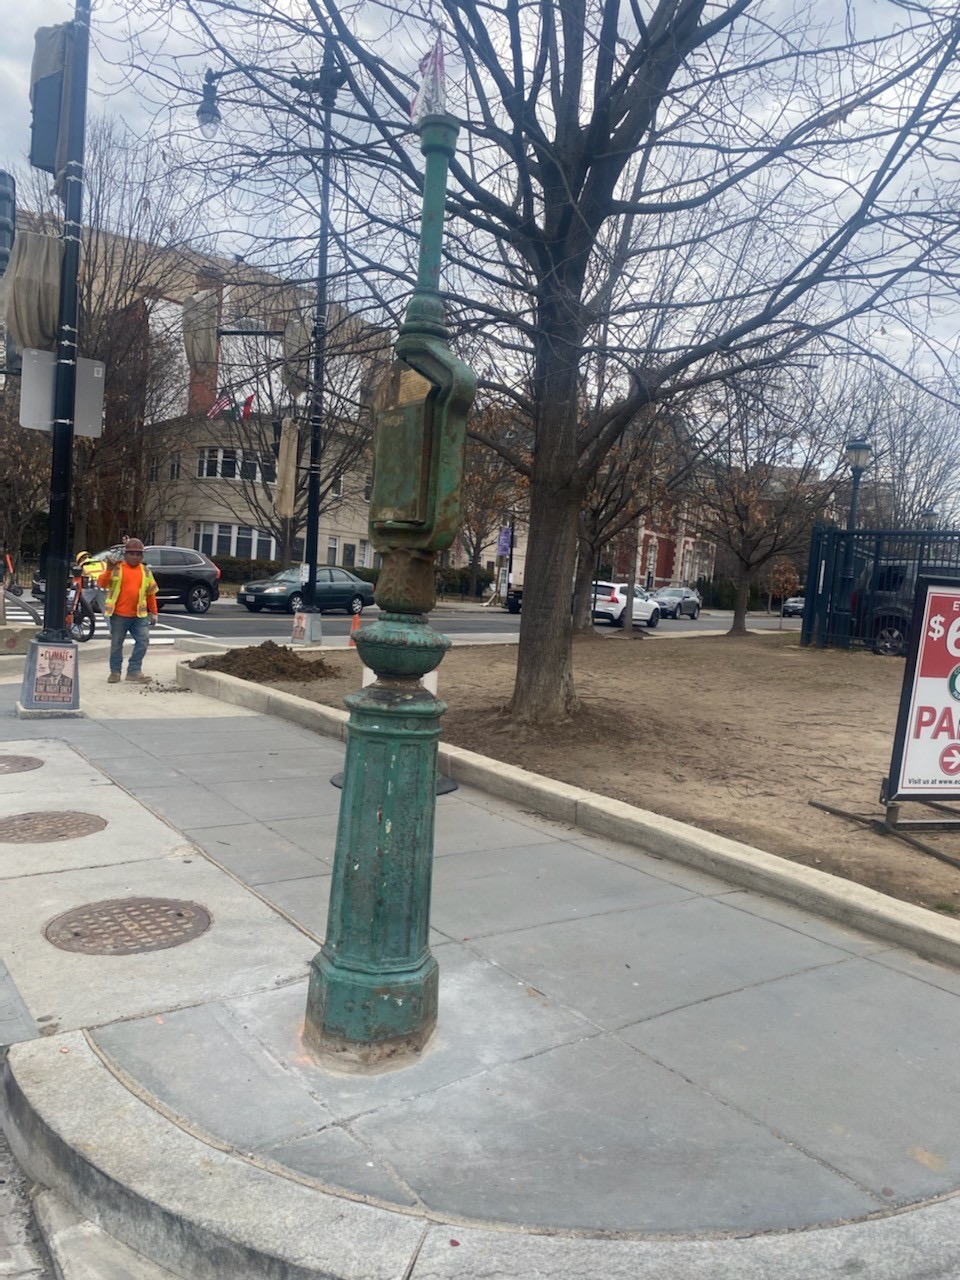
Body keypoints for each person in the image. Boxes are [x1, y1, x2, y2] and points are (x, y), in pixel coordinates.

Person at [97, 538, 158, 684]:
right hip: (119, 615)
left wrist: (154, 612)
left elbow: (151, 593)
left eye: (138, 554)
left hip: (139, 616)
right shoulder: (117, 568)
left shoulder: (146, 572)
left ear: (142, 556)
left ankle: (134, 671)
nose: (135, 557)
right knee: (117, 644)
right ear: (126, 555)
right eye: (132, 554)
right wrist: (108, 570)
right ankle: (115, 672)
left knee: (143, 641)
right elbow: (101, 583)